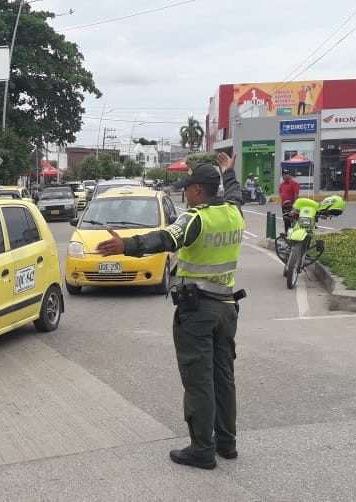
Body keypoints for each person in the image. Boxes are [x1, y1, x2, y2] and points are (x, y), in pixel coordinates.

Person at [96, 152, 245, 470]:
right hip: (227, 308)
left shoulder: (196, 218)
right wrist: (229, 172)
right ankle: (226, 443)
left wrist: (127, 246)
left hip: (198, 310)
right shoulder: (234, 212)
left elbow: (165, 238)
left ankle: (202, 449)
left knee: (199, 381)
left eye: (187, 188)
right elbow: (235, 193)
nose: (184, 193)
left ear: (198, 190)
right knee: (224, 377)